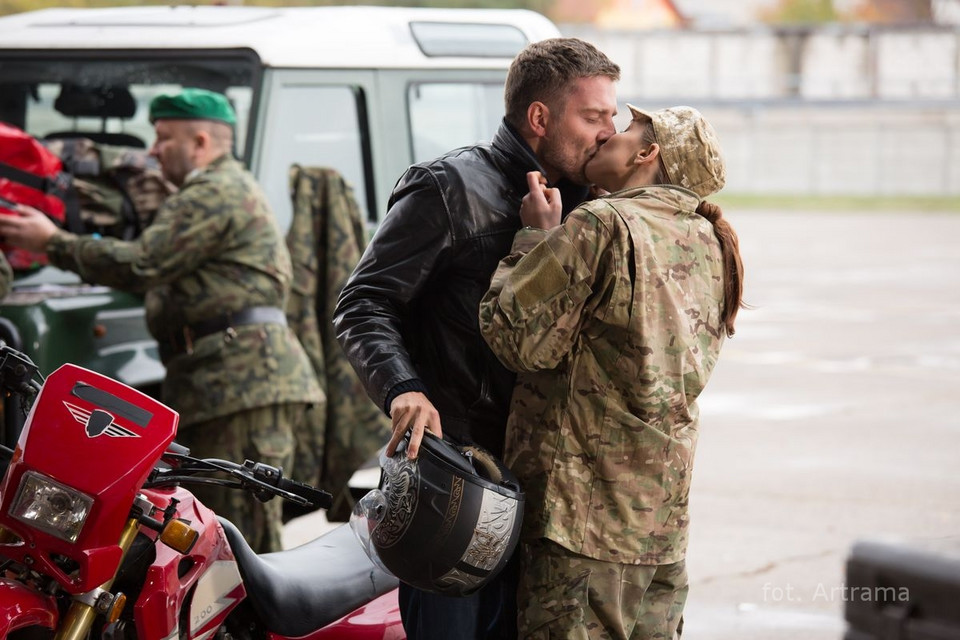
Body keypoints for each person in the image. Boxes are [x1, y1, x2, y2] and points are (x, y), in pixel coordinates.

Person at [333, 38, 620, 640]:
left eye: (613, 116)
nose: (607, 131)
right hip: (455, 486)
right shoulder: (449, 188)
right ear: (540, 118)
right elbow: (363, 303)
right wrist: (403, 390)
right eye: (594, 116)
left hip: (553, 494)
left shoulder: (598, 207)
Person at [0, 88, 322, 554]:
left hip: (241, 384)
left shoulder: (212, 192)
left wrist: (53, 241)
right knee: (211, 531)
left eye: (162, 138)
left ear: (200, 144)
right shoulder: (217, 188)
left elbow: (143, 264)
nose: (151, 151)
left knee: (240, 537)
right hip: (227, 381)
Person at [479, 105, 745, 639]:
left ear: (648, 154)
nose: (608, 136)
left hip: (583, 527)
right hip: (659, 531)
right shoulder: (709, 239)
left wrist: (536, 239)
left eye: (625, 131)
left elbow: (515, 338)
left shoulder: (604, 224)